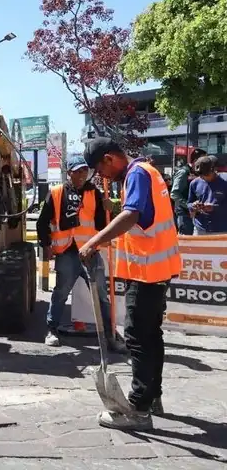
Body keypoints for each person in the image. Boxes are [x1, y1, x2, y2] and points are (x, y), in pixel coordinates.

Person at [80, 137, 181, 431]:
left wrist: (94, 242)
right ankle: (153, 396)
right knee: (151, 335)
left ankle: (138, 407)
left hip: (148, 271)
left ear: (111, 158)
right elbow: (142, 216)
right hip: (158, 268)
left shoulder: (136, 173)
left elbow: (132, 214)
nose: (102, 175)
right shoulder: (148, 171)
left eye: (100, 168)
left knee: (137, 337)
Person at [36, 156, 120, 349]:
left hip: (90, 251)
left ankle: (110, 334)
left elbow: (102, 225)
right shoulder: (56, 193)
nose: (82, 175)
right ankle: (52, 329)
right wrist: (46, 245)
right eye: (78, 171)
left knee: (101, 295)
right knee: (61, 293)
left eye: (85, 171)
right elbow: (42, 222)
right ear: (69, 173)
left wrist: (110, 210)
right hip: (67, 251)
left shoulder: (96, 194)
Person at [188, 155, 227, 235]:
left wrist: (214, 208)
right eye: (200, 175)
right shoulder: (194, 183)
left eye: (205, 175)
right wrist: (193, 206)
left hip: (221, 230)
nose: (202, 178)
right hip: (200, 229)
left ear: (213, 170)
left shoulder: (225, 181)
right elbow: (189, 203)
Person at [171, 149, 207, 235]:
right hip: (185, 213)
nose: (206, 163)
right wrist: (188, 206)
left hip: (196, 213)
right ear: (195, 161)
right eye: (204, 160)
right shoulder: (183, 172)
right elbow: (174, 194)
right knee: (186, 240)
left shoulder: (198, 172)